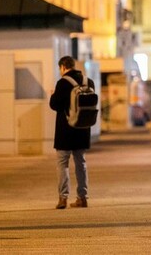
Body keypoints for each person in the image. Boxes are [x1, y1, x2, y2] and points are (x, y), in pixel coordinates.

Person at [49, 56, 95, 209]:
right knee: (80, 163)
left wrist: (52, 94)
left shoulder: (62, 83)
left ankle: (63, 198)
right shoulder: (88, 82)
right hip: (83, 129)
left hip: (65, 129)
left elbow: (54, 105)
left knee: (62, 163)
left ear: (62, 67)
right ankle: (83, 198)